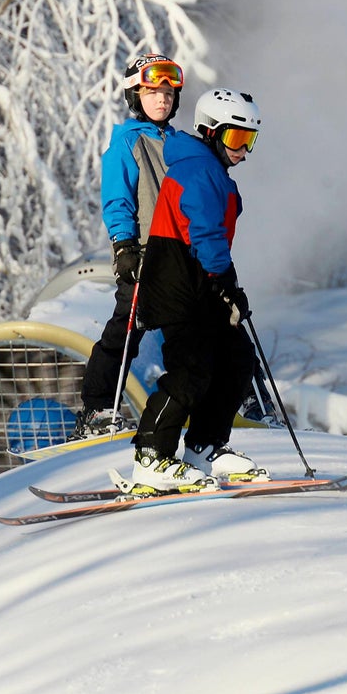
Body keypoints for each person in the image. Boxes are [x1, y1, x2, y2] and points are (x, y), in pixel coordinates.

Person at [127, 87, 264, 491]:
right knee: (191, 368)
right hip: (178, 283)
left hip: (199, 283)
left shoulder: (207, 168)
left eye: (249, 140)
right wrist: (226, 283)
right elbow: (205, 233)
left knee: (237, 357)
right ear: (210, 131)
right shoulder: (197, 169)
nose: (243, 151)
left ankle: (205, 445)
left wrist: (224, 287)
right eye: (237, 139)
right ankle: (152, 456)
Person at [72, 53, 186, 440]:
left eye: (168, 94)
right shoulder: (127, 143)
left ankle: (217, 401)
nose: (162, 100)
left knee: (200, 335)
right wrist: (124, 246)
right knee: (125, 333)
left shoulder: (181, 144)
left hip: (181, 259)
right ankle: (97, 408)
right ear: (135, 96)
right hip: (143, 257)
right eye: (152, 92)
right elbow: (117, 199)